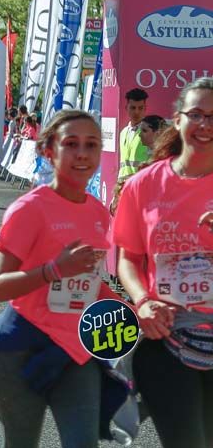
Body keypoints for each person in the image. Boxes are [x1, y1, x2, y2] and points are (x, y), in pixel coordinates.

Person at [0, 110, 120, 447]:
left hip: (77, 347)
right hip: (20, 347)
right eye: (71, 144)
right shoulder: (28, 209)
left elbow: (91, 280)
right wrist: (53, 269)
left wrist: (127, 306)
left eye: (91, 145)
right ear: (49, 150)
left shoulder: (96, 211)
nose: (82, 153)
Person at [115, 77, 213, 447]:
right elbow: (128, 257)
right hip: (166, 335)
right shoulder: (144, 184)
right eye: (196, 114)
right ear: (177, 119)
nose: (205, 124)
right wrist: (142, 301)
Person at [117, 88, 149, 183]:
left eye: (140, 108)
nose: (136, 112)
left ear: (145, 109)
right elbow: (123, 165)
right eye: (133, 107)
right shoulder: (123, 133)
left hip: (142, 184)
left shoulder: (150, 132)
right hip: (123, 185)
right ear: (126, 108)